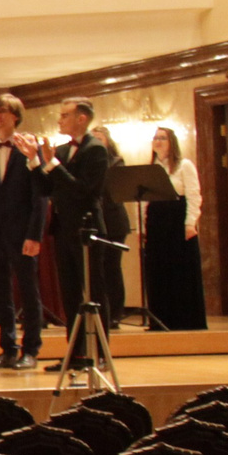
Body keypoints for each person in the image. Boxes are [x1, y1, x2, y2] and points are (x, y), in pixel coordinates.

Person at [0, 94, 49, 370]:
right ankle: (7, 349)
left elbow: (40, 197)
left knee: (28, 292)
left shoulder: (30, 149)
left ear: (15, 116)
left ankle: (31, 350)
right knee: (1, 294)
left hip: (22, 234)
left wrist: (34, 236)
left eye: (3, 111)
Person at [32, 98, 116, 344]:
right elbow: (47, 188)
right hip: (63, 228)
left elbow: (84, 192)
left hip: (86, 229)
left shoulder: (96, 149)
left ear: (81, 118)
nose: (59, 120)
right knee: (69, 293)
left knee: (94, 291)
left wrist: (54, 164)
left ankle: (99, 351)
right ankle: (75, 352)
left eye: (65, 115)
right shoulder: (62, 149)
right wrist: (35, 161)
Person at [138, 126, 208, 329]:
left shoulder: (184, 165)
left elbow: (194, 196)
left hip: (177, 220)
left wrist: (190, 223)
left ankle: (185, 320)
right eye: (155, 138)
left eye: (162, 138)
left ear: (172, 142)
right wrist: (143, 226)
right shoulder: (151, 168)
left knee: (180, 271)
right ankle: (161, 320)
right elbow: (145, 200)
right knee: (158, 270)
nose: (158, 141)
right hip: (157, 221)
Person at [92, 125, 132, 329]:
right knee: (97, 269)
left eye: (100, 138)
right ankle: (101, 311)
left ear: (108, 142)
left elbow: (113, 191)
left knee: (112, 268)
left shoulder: (116, 162)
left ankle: (116, 312)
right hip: (97, 221)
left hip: (114, 221)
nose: (96, 142)